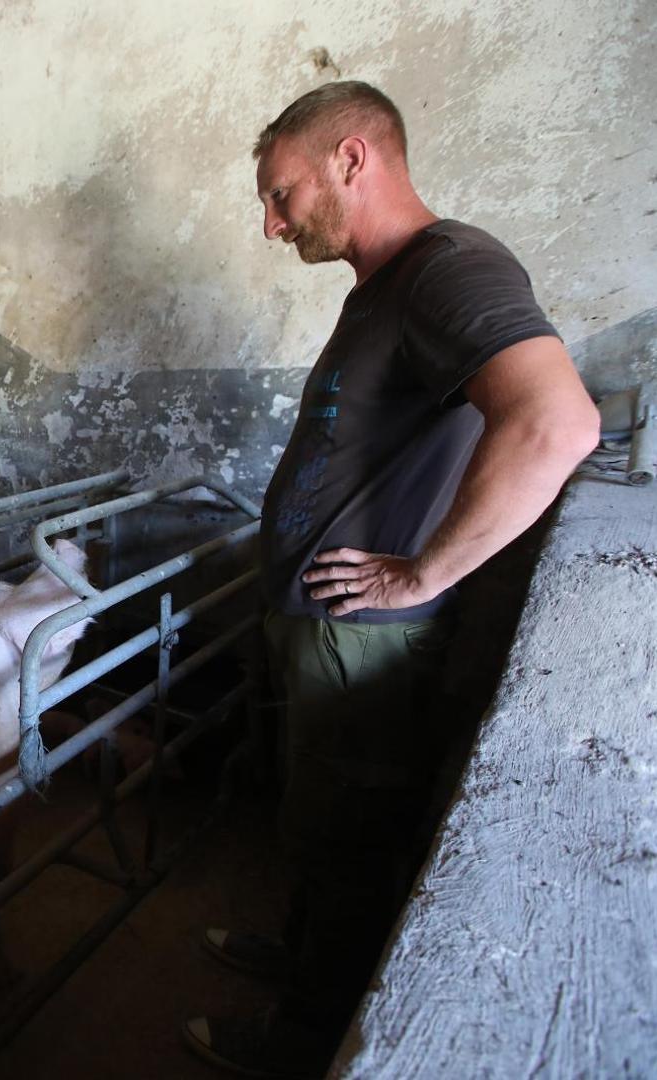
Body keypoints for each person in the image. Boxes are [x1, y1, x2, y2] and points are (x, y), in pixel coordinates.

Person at [182, 82, 600, 1077]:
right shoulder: (389, 286)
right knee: (320, 822)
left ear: (353, 159)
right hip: (323, 626)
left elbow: (558, 421)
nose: (271, 222)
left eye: (282, 194)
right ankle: (298, 963)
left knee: (355, 839)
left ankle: (302, 1045)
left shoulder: (449, 270)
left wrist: (422, 574)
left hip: (360, 637)